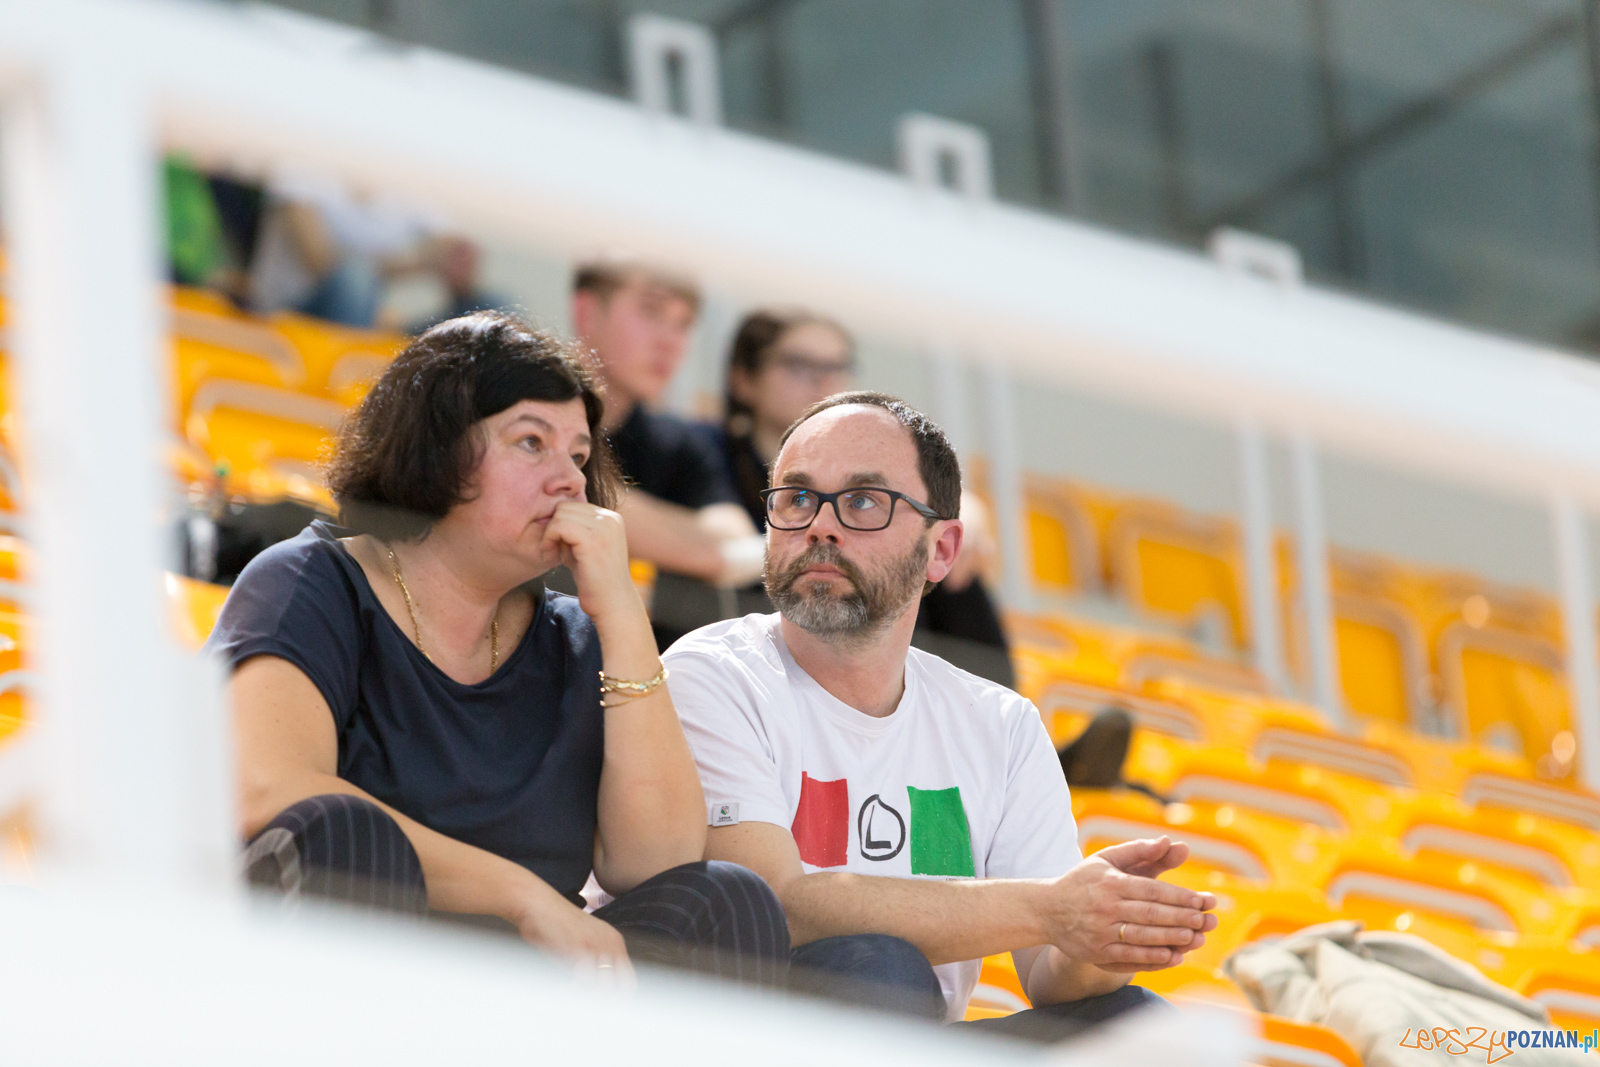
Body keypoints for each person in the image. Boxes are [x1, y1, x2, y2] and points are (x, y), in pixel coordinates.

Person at [206, 311, 786, 985]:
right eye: (531, 442)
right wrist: (521, 895)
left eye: (577, 455)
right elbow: (267, 790)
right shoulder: (311, 581)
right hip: (354, 977)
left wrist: (623, 613)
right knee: (348, 836)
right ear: (436, 448)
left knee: (725, 900)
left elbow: (656, 860)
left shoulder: (579, 634)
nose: (570, 480)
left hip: (521, 996)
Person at [663, 391, 1217, 1036]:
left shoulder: (1000, 725)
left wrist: (1106, 932)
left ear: (943, 550)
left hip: (913, 1041)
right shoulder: (712, 672)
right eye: (796, 498)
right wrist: (1051, 908)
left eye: (864, 501)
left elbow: (1049, 976)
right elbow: (776, 905)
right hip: (735, 1036)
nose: (820, 524)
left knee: (1139, 1028)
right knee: (874, 966)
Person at [717, 308, 1012, 685]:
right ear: (744, 379)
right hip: (772, 639)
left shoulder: (879, 467)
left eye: (836, 366)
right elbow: (718, 545)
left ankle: (991, 717)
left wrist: (954, 510)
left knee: (922, 544)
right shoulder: (709, 451)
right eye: (798, 364)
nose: (823, 380)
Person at [570, 256, 764, 646]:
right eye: (652, 311)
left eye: (684, 324)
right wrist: (695, 546)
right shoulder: (524, 409)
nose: (670, 341)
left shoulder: (676, 443)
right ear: (587, 311)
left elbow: (741, 548)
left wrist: (591, 504)